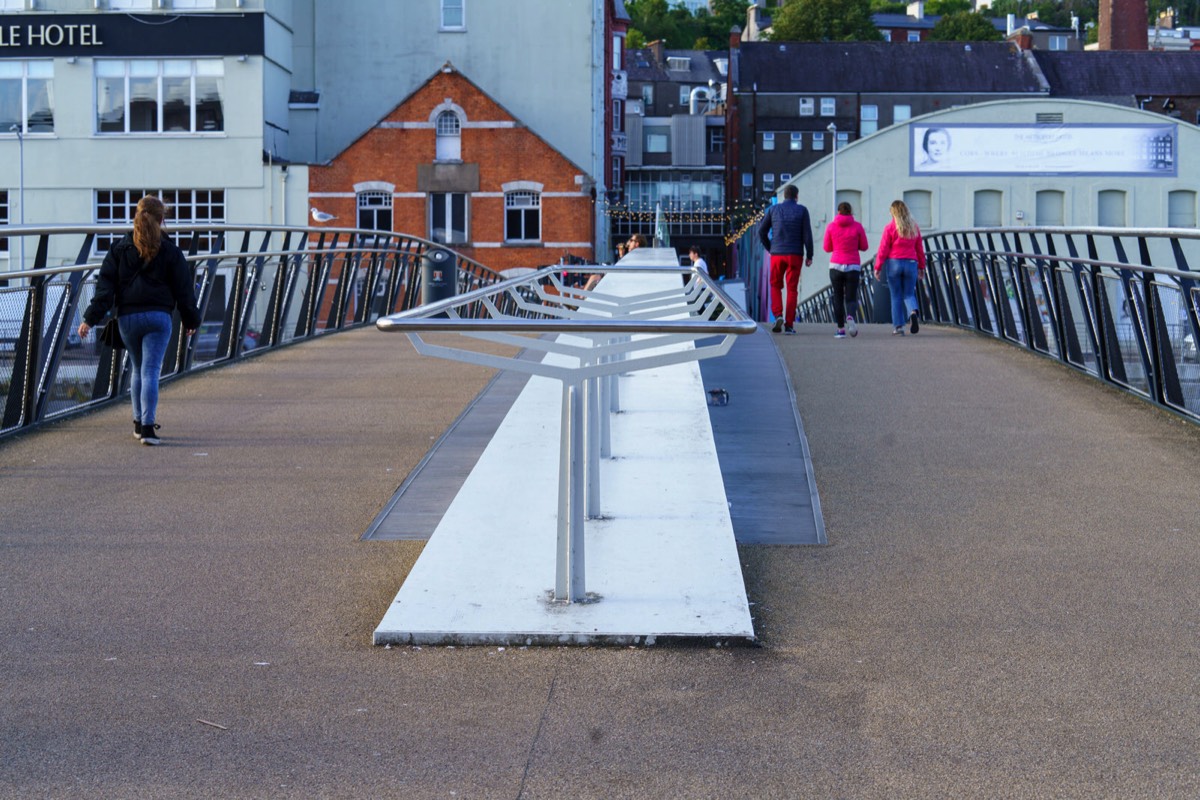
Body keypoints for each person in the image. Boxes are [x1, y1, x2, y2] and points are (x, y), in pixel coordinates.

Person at [78, 196, 202, 445]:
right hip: (158, 318)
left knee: (137, 369)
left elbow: (105, 290)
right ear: (162, 219)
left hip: (128, 319)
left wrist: (90, 319)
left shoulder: (118, 249)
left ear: (136, 216)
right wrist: (191, 320)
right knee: (151, 372)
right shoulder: (171, 251)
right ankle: (148, 428)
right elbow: (184, 291)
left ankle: (138, 423)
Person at [757, 184, 813, 334]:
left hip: (777, 254)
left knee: (775, 285)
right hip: (795, 254)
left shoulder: (773, 210)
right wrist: (810, 255)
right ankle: (789, 325)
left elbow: (761, 231)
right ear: (796, 196)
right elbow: (807, 234)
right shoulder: (802, 210)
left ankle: (778, 315)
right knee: (792, 289)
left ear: (784, 196)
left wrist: (770, 248)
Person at [873, 199, 927, 336]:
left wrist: (878, 267)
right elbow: (919, 249)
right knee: (909, 293)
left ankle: (898, 327)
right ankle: (913, 312)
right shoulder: (914, 227)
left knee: (896, 296)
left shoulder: (890, 228)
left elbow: (883, 249)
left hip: (894, 263)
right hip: (911, 264)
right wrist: (921, 266)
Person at [822, 201, 869, 339]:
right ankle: (850, 316)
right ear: (850, 212)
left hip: (836, 265)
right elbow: (864, 246)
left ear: (838, 212)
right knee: (851, 296)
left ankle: (840, 329)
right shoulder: (857, 227)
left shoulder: (831, 227)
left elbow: (826, 248)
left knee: (837, 297)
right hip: (853, 266)